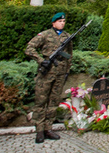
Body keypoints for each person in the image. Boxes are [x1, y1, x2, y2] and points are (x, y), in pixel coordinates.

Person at [25, 12, 73, 143]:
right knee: (41, 101)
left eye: (63, 21)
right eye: (59, 21)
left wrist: (67, 71)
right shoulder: (45, 35)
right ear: (53, 23)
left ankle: (48, 128)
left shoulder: (66, 36)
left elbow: (69, 55)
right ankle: (39, 130)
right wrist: (41, 60)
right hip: (46, 72)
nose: (62, 23)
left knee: (53, 101)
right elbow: (29, 48)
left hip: (60, 73)